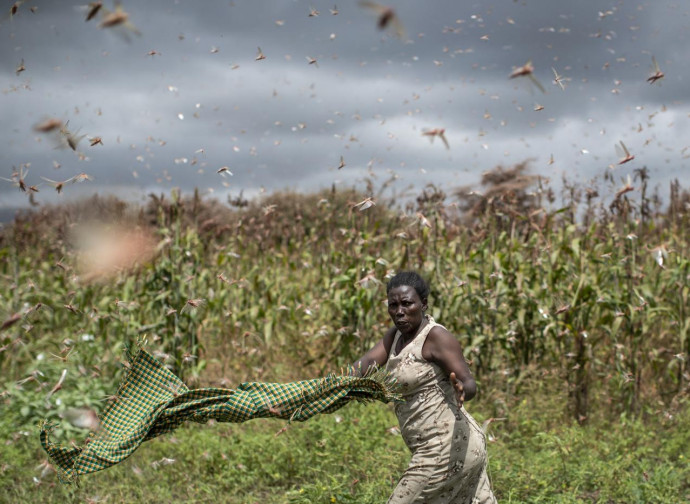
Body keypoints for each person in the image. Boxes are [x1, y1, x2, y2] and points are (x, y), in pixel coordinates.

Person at [352, 271, 497, 504]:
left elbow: (469, 382)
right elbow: (365, 366)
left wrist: (462, 389)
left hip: (447, 446)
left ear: (423, 304)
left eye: (407, 304)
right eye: (393, 305)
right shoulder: (395, 336)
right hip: (437, 447)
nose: (399, 311)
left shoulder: (436, 336)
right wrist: (326, 387)